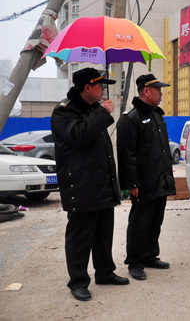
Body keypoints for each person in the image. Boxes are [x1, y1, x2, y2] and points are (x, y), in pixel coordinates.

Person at [51, 67, 129, 302]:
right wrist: (102, 114)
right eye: (99, 85)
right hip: (81, 185)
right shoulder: (64, 112)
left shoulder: (94, 108)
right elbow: (79, 136)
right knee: (80, 237)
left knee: (103, 234)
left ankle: (105, 272)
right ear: (87, 87)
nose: (103, 89)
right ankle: (78, 281)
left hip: (102, 184)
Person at [116, 73, 176, 281]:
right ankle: (135, 261)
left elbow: (160, 151)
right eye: (158, 90)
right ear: (146, 91)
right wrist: (131, 183)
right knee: (140, 222)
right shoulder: (131, 118)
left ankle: (150, 255)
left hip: (159, 178)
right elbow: (126, 154)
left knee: (155, 220)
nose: (161, 94)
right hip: (142, 182)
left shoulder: (157, 115)